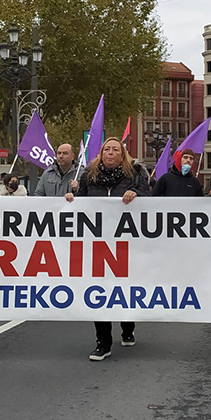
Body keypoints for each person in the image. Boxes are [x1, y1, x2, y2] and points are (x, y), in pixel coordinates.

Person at [64, 137, 150, 361]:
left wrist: (137, 195)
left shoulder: (137, 174)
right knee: (99, 289)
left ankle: (127, 326)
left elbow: (150, 200)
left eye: (115, 149)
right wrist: (71, 199)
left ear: (123, 155)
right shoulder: (88, 176)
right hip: (97, 242)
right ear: (101, 154)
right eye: (106, 149)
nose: (110, 153)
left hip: (128, 242)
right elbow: (81, 201)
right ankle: (103, 342)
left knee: (124, 287)